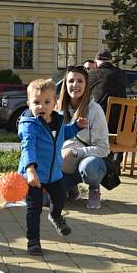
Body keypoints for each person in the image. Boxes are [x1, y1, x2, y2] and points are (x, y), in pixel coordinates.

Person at [18, 78, 87, 256]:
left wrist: (76, 127)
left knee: (60, 199)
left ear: (54, 104)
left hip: (54, 173)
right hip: (34, 175)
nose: (41, 107)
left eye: (47, 102)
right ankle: (33, 241)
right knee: (34, 209)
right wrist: (31, 171)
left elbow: (64, 134)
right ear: (29, 104)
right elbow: (28, 148)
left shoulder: (58, 120)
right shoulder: (29, 126)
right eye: (36, 102)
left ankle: (56, 216)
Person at [58, 66, 109, 210]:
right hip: (62, 164)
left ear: (86, 85)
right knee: (44, 201)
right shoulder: (57, 109)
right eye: (71, 81)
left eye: (80, 81)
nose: (75, 85)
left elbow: (103, 149)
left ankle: (94, 189)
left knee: (90, 166)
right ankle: (71, 188)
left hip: (86, 160)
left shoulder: (95, 110)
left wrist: (77, 152)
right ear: (65, 84)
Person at [88, 49, 127, 134]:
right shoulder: (121, 74)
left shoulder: (91, 74)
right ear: (111, 61)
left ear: (95, 63)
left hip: (99, 126)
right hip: (120, 127)